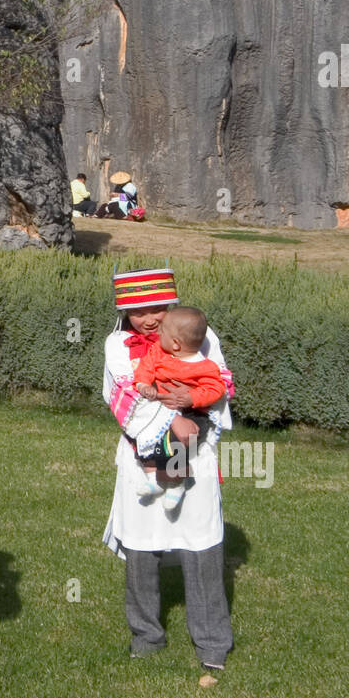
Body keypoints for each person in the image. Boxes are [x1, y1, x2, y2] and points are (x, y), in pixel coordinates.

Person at [101, 268, 235, 673]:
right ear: (125, 312)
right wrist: (170, 419)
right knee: (142, 545)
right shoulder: (118, 344)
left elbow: (222, 381)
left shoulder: (201, 334)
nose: (150, 318)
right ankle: (146, 635)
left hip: (196, 452)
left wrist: (193, 398)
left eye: (158, 307)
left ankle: (212, 641)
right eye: (139, 311)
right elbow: (123, 394)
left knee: (202, 544)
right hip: (141, 456)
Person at [132, 306, 226, 509]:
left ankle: (177, 483)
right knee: (146, 434)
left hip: (193, 415)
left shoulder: (205, 366)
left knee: (172, 444)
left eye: (162, 331)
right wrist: (144, 384)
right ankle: (154, 479)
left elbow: (215, 388)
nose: (157, 333)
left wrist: (191, 397)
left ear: (175, 343)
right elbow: (145, 367)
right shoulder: (158, 352)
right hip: (162, 411)